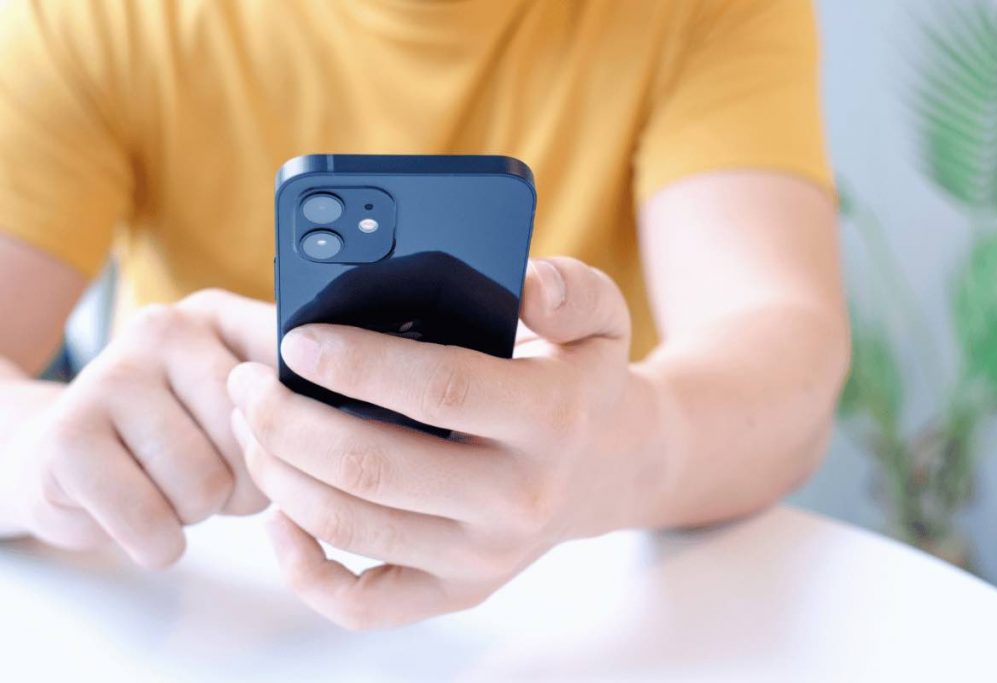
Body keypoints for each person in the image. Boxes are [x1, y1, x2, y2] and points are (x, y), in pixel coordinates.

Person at [0, 0, 849, 629]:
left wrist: (617, 452)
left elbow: (786, 356)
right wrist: (45, 450)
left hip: (586, 602)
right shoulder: (94, 15)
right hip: (213, 596)